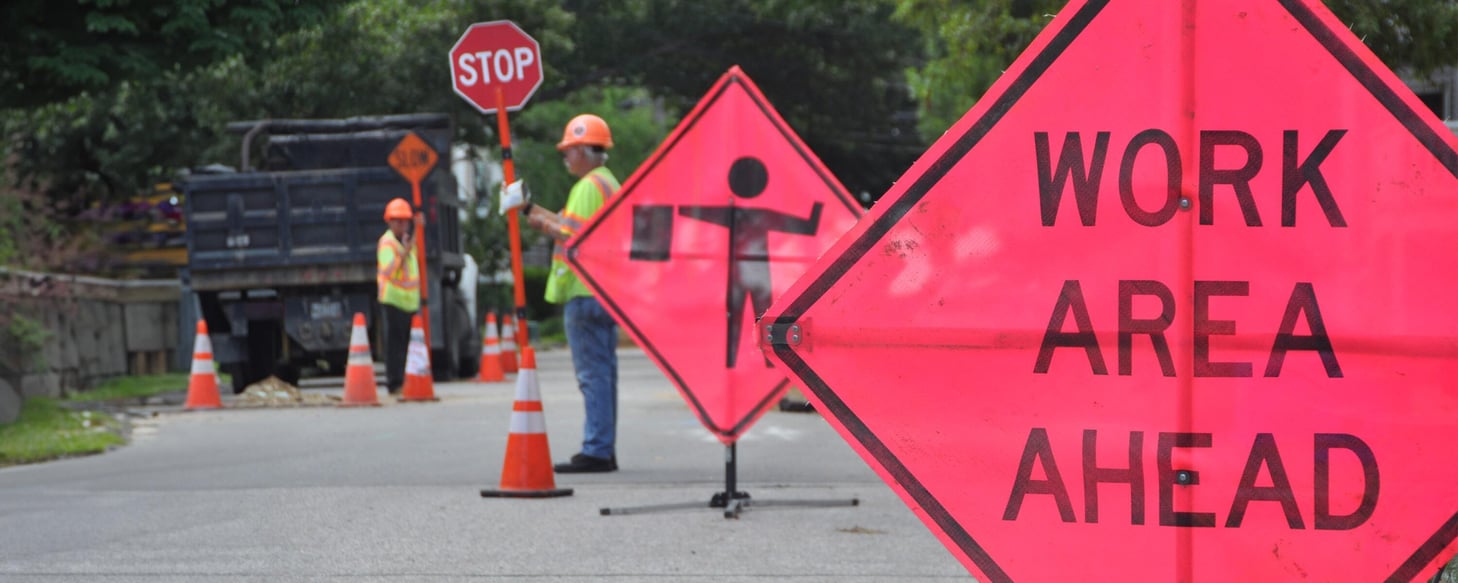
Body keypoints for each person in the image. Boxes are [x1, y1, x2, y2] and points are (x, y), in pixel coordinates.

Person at [501, 113, 621, 473]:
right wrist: (528, 209)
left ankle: (597, 450)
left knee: (592, 376)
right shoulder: (607, 183)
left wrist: (540, 224)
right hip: (604, 290)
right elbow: (570, 224)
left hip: (584, 291)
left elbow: (570, 234)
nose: (565, 157)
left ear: (583, 150)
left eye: (569, 150)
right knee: (604, 374)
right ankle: (603, 446)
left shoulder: (586, 187)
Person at [377, 198, 421, 395]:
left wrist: (418, 230)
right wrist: (406, 250)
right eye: (399, 221)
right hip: (393, 300)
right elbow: (390, 270)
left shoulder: (404, 242)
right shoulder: (387, 243)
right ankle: (394, 383)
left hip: (408, 302)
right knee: (395, 346)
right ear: (390, 222)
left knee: (406, 346)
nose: (403, 225)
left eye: (406, 221)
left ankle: (406, 381)